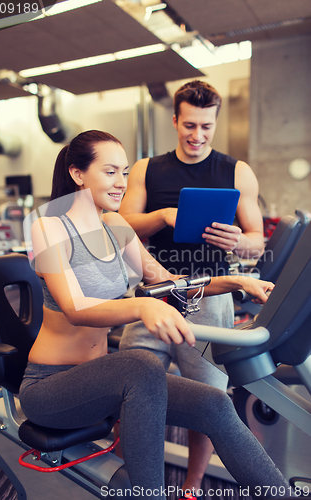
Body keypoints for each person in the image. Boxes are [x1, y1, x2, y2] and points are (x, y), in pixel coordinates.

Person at [19, 130, 289, 500]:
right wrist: (142, 305)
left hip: (103, 380)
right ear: (78, 174)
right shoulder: (48, 225)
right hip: (50, 388)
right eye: (110, 172)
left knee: (214, 402)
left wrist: (233, 281)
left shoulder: (115, 225)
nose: (121, 184)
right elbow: (75, 308)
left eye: (125, 172)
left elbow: (167, 282)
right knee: (141, 364)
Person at [118, 80, 265, 498]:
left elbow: (257, 238)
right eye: (189, 125)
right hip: (155, 294)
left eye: (206, 126)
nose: (197, 135)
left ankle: (193, 484)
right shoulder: (148, 168)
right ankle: (134, 476)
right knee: (127, 384)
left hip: (211, 299)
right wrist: (163, 215)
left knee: (208, 398)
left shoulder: (237, 171)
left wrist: (238, 239)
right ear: (175, 120)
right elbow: (124, 223)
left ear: (215, 122)